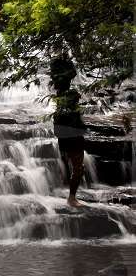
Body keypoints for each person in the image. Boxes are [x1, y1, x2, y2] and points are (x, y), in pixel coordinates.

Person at [50, 56, 87, 207]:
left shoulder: (59, 95)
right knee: (78, 167)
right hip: (71, 133)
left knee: (72, 164)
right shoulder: (70, 95)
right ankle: (71, 198)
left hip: (63, 132)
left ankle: (69, 193)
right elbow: (72, 72)